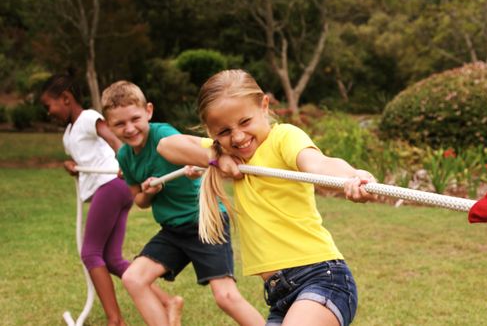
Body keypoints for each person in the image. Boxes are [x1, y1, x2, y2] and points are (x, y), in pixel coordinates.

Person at [157, 69, 377, 326]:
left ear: (264, 106)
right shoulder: (227, 153)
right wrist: (216, 157)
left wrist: (350, 177)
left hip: (322, 279)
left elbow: (317, 163)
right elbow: (166, 146)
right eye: (224, 131)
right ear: (211, 131)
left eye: (245, 122)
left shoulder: (283, 138)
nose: (237, 136)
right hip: (279, 296)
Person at [100, 80, 264, 326]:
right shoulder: (124, 156)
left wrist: (196, 167)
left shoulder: (162, 133)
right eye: (119, 124)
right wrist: (151, 191)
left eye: (135, 119)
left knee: (225, 296)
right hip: (173, 229)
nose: (130, 128)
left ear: (148, 111)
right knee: (133, 278)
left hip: (205, 220)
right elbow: (140, 201)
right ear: (108, 126)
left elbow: (191, 152)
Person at [40, 73, 141, 326]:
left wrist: (126, 163)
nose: (48, 112)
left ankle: (115, 320)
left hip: (111, 184)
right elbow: (87, 157)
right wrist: (74, 165)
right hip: (112, 189)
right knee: (112, 259)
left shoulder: (87, 118)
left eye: (48, 105)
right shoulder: (69, 134)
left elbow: (114, 140)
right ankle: (164, 301)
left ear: (65, 98)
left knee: (90, 253)